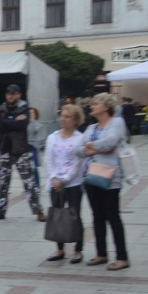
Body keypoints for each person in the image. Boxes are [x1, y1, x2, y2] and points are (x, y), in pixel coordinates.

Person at [79, 93, 130, 271]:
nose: (92, 105)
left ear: (107, 106)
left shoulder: (117, 122)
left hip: (110, 177)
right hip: (90, 176)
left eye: (96, 103)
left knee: (113, 216)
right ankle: (101, 253)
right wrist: (96, 148)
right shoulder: (91, 127)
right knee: (97, 217)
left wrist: (91, 147)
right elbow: (78, 149)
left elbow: (110, 142)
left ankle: (122, 257)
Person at [0, 84, 46, 222]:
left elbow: (22, 125)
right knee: (3, 183)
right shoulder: (1, 108)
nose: (11, 96)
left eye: (14, 93)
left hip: (20, 150)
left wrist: (7, 122)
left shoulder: (24, 108)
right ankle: (0, 211)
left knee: (29, 183)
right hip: (4, 149)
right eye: (8, 93)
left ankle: (38, 210)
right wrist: (13, 121)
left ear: (19, 95)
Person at [43, 104, 85, 264]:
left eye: (67, 117)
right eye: (62, 115)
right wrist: (54, 177)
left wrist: (65, 179)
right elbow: (48, 159)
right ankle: (59, 248)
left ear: (75, 120)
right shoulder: (52, 137)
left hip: (73, 183)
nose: (63, 119)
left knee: (75, 216)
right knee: (58, 215)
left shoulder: (79, 138)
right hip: (55, 182)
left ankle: (78, 250)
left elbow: (78, 162)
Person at [27, 107, 45, 189]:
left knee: (33, 166)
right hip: (25, 146)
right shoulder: (24, 124)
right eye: (29, 113)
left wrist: (33, 122)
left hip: (33, 147)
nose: (31, 114)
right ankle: (29, 185)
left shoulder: (39, 125)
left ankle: (37, 185)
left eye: (32, 113)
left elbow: (41, 137)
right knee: (26, 168)